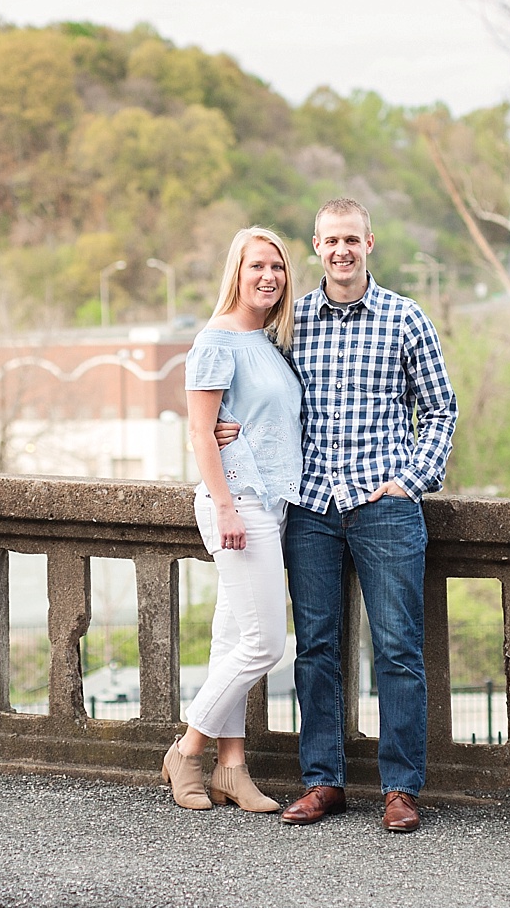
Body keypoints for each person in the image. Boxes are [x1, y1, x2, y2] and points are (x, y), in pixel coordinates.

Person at [217, 197, 457, 832]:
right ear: (316, 247)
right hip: (311, 507)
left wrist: (410, 481)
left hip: (384, 509)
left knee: (398, 649)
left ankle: (400, 788)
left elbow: (440, 410)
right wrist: (226, 429)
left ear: (369, 244)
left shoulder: (406, 319)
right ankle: (323, 781)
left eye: (353, 239)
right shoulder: (289, 326)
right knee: (316, 649)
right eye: (331, 241)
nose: (342, 250)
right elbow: (252, 389)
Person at [161, 227, 304, 813]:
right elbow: (199, 429)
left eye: (277, 267)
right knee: (266, 643)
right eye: (256, 267)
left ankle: (233, 769)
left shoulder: (268, 341)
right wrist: (224, 506)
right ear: (236, 274)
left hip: (271, 503)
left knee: (230, 640)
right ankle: (187, 750)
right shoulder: (217, 339)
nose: (268, 276)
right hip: (238, 505)